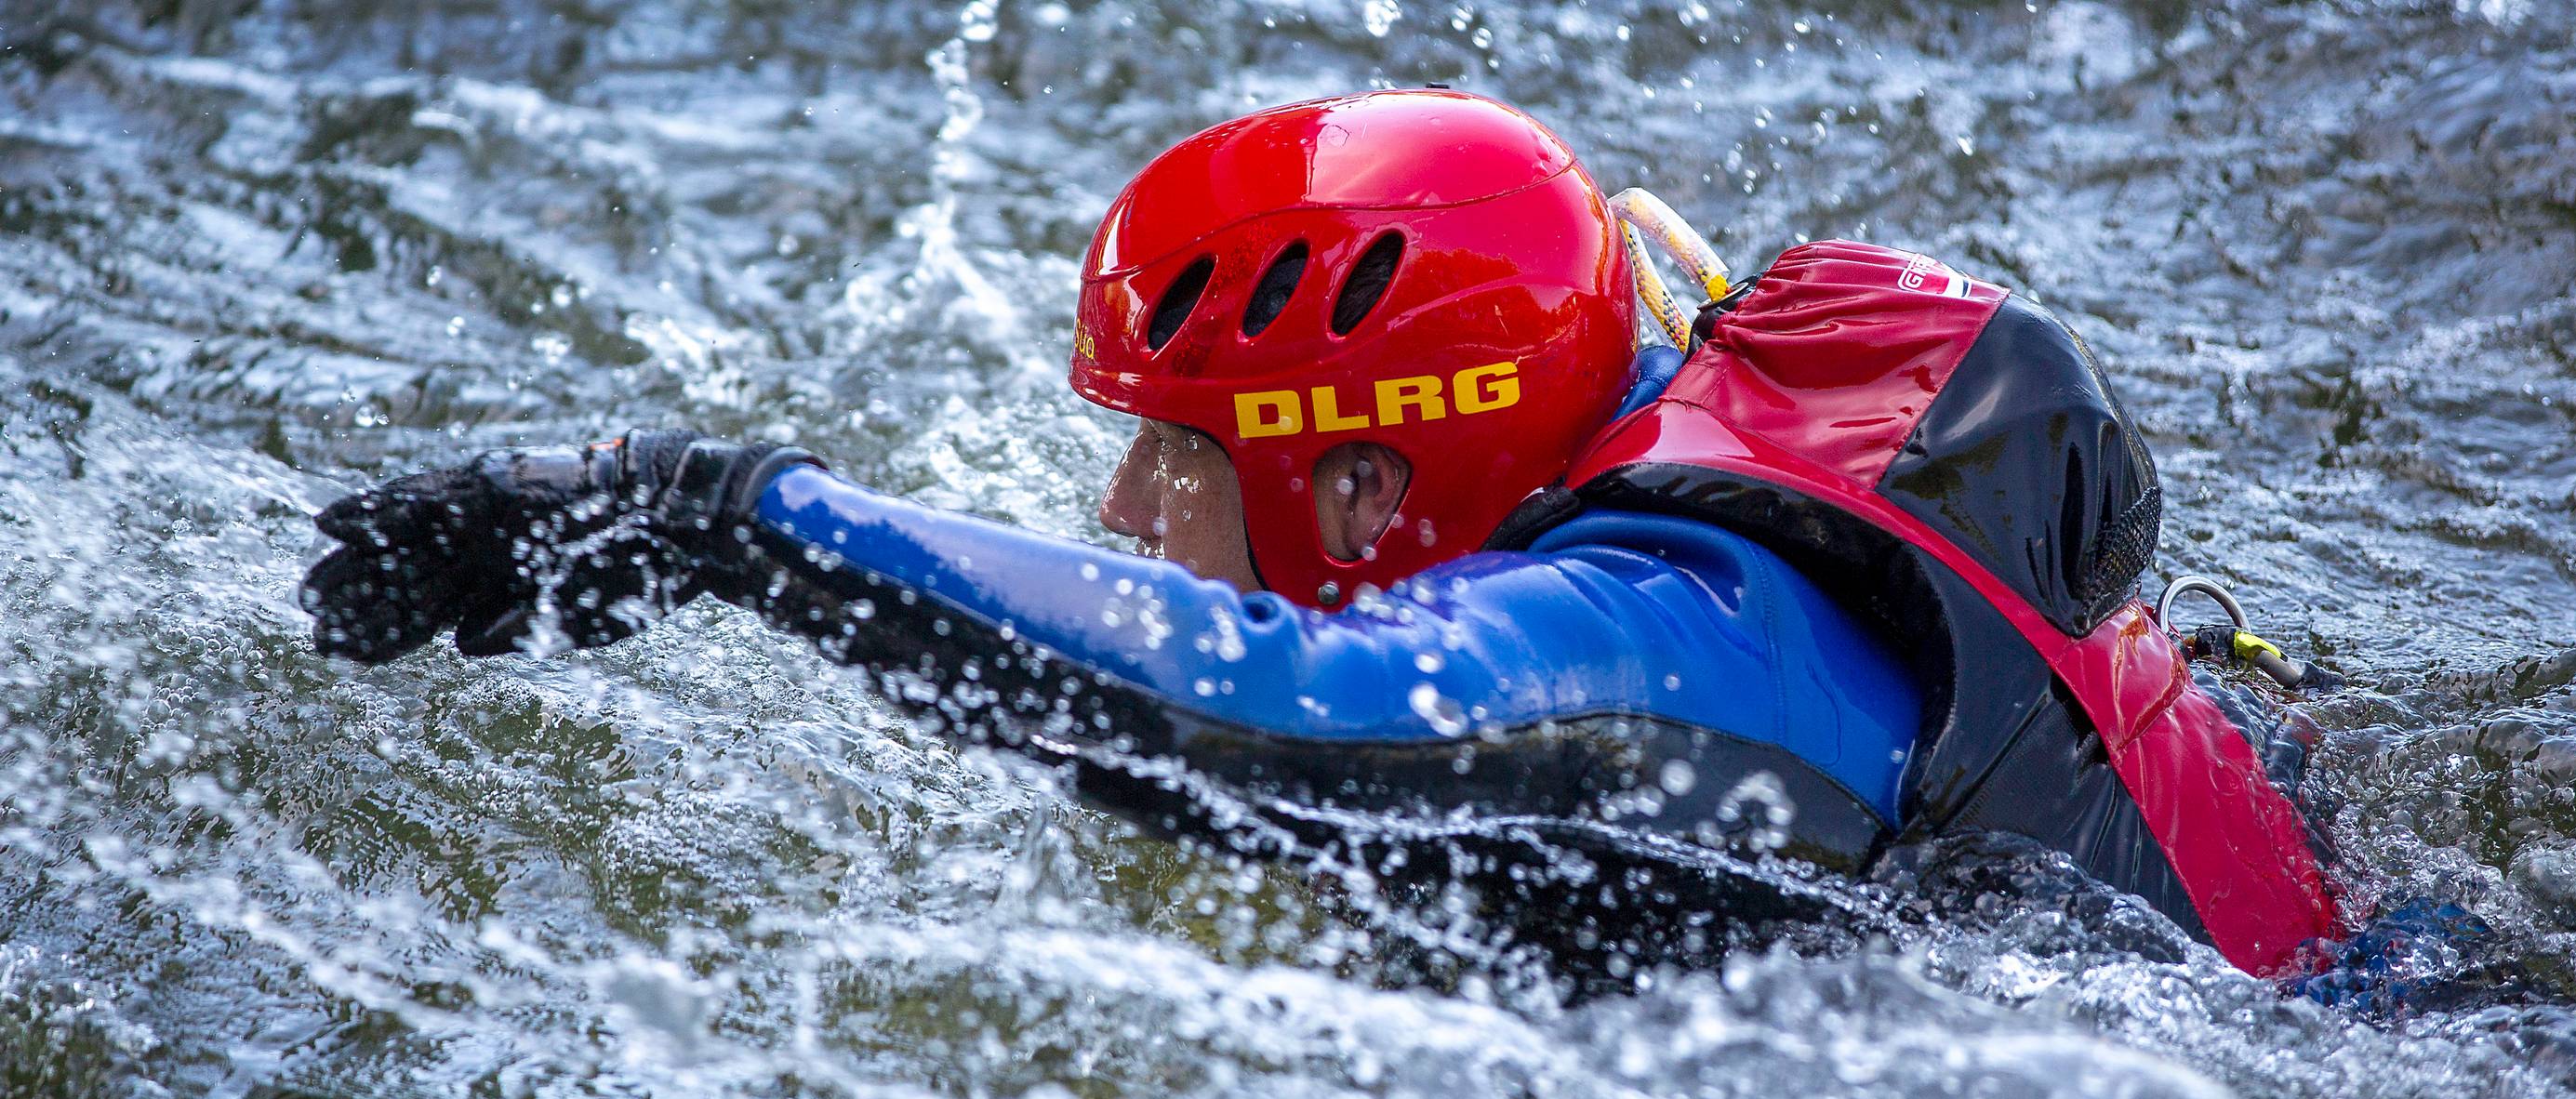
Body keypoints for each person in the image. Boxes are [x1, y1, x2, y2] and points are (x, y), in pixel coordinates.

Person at [299, 90, 2348, 989]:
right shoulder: (1649, 433)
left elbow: (1280, 709)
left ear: (1368, 483)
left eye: (1174, 456)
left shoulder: (1678, 626)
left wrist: (714, 511)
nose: (1116, 514)